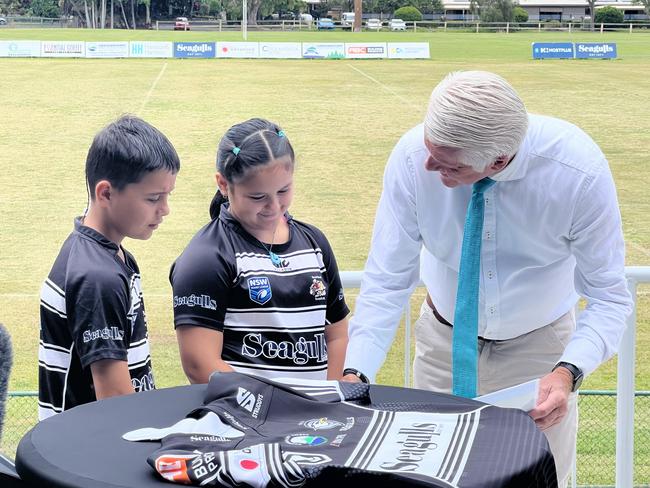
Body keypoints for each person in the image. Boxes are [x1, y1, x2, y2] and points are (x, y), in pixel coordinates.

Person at [343, 71, 632, 486]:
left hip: (542, 356)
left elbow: (609, 296)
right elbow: (388, 279)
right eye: (429, 148)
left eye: (447, 164)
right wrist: (357, 374)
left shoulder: (579, 172)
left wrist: (567, 371)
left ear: (497, 161)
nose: (428, 165)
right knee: (433, 479)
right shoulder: (411, 158)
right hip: (442, 346)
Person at [170, 118, 349, 383]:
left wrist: (327, 399)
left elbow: (336, 333)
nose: (274, 206)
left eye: (284, 190)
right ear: (223, 184)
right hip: (245, 421)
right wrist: (275, 405)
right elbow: (200, 364)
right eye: (258, 197)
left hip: (313, 418)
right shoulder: (207, 257)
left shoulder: (315, 243)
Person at [38, 115, 180, 420]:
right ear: (106, 193)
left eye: (167, 196)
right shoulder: (98, 277)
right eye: (154, 198)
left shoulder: (108, 255)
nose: (165, 209)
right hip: (88, 450)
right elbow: (114, 399)